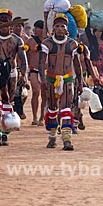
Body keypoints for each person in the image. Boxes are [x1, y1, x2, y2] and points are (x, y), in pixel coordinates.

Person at [40, 13, 83, 150]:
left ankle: (66, 139)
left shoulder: (72, 44)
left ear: (66, 29)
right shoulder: (47, 43)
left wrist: (80, 82)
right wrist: (42, 79)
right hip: (52, 79)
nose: (59, 28)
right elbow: (41, 63)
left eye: (62, 26)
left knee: (66, 108)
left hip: (68, 79)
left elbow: (77, 65)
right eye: (57, 26)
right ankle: (52, 137)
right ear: (53, 29)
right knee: (52, 110)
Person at [0, 9, 28, 146]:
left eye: (7, 20)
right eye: (1, 20)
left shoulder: (17, 40)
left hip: (11, 74)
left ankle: (5, 133)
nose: (4, 23)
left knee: (7, 104)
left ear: (11, 24)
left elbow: (23, 60)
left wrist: (25, 75)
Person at [25, 20, 48, 126]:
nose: (35, 30)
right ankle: (34, 117)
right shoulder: (30, 41)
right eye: (34, 28)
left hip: (46, 71)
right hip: (34, 69)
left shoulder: (49, 41)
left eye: (37, 28)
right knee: (35, 91)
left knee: (45, 94)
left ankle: (42, 117)